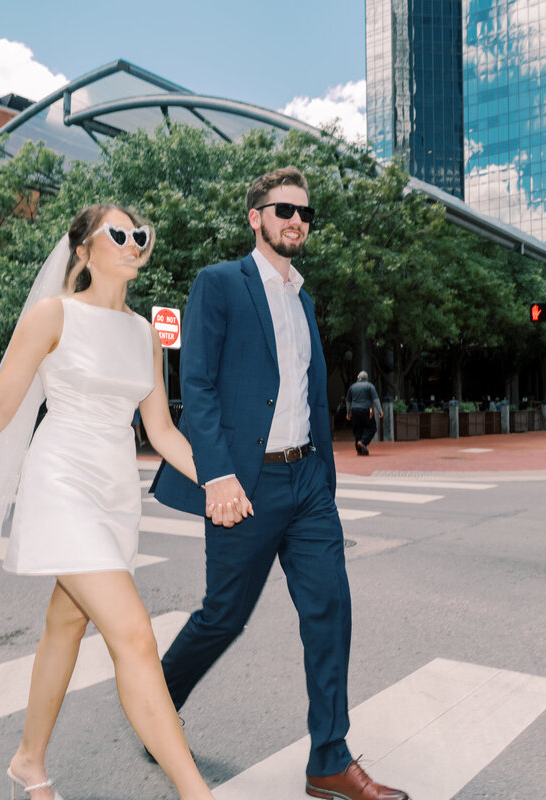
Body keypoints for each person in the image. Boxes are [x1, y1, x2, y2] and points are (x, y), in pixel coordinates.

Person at [0, 204, 245, 800]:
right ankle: (197, 794)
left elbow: (161, 432)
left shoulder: (145, 334)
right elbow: (0, 407)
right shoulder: (51, 316)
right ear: (83, 251)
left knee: (66, 622)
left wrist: (218, 477)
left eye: (141, 234)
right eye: (119, 233)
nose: (134, 242)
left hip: (116, 493)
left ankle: (28, 762)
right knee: (135, 636)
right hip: (61, 481)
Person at [150, 167, 410, 800]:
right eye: (284, 209)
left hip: (307, 483)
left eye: (306, 214)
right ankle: (154, 709)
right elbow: (200, 389)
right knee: (223, 617)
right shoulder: (219, 284)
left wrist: (323, 472)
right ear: (255, 218)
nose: (298, 220)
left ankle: (328, 757)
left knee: (330, 610)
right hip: (246, 484)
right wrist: (216, 475)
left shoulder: (302, 297)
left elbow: (304, 392)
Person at [345, 370, 383, 455]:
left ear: (358, 378)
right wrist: (380, 411)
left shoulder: (352, 387)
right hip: (369, 410)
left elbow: (348, 401)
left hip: (354, 410)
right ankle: (363, 442)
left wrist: (348, 413)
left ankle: (359, 450)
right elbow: (375, 399)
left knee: (357, 430)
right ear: (367, 379)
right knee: (372, 427)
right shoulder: (370, 386)